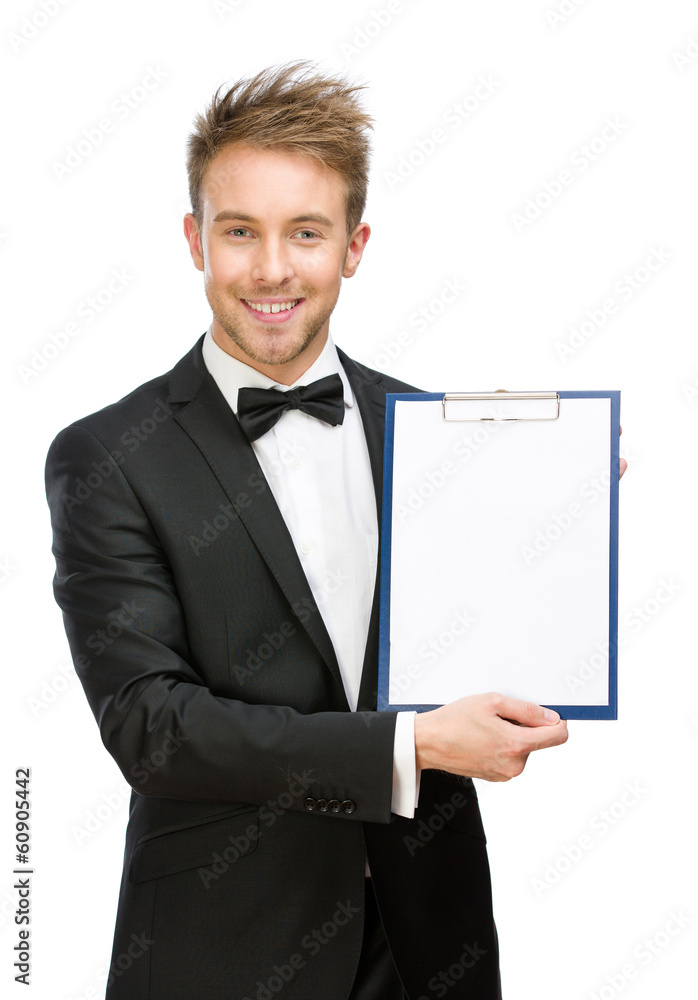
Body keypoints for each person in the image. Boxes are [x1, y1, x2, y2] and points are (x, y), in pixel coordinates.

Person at [45, 61, 582, 999]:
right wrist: (407, 749)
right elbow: (152, 727)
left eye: (306, 232)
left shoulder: (432, 433)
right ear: (193, 239)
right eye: (239, 231)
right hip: (224, 950)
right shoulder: (107, 457)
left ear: (355, 245)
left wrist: (566, 510)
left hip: (430, 946)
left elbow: (489, 640)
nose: (272, 269)